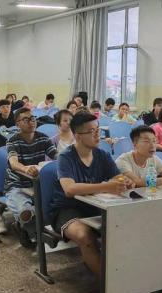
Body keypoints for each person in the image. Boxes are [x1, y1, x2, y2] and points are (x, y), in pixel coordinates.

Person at [49, 112, 132, 278]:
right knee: (85, 236)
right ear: (78, 136)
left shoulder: (102, 155)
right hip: (67, 209)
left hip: (97, 205)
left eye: (98, 130)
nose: (97, 134)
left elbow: (117, 177)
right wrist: (106, 187)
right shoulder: (66, 157)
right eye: (92, 131)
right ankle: (109, 283)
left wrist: (125, 181)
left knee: (128, 227)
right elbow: (69, 189)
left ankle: (126, 272)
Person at [4, 108, 58, 246]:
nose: (31, 122)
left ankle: (20, 224)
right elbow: (14, 164)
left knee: (57, 206)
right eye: (26, 119)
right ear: (17, 124)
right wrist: (26, 169)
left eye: (33, 118)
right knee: (26, 211)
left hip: (38, 185)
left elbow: (56, 156)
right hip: (17, 185)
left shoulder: (43, 138)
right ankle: (32, 229)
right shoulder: (12, 141)